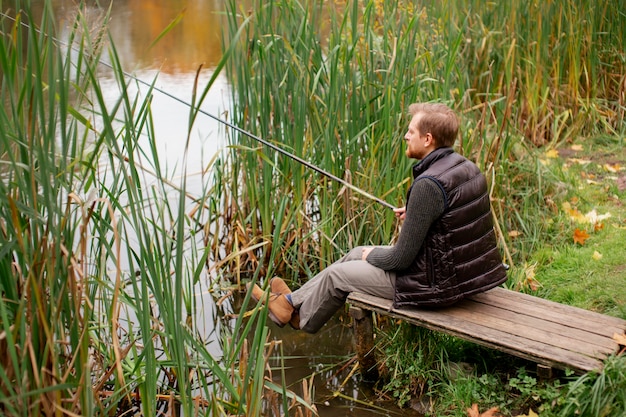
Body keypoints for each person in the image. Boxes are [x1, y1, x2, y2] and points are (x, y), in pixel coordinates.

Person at [249, 102, 507, 334]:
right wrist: (417, 214)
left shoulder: (428, 184)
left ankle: (300, 320)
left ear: (428, 139)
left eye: (411, 132)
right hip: (461, 275)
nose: (406, 136)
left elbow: (400, 259)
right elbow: (456, 220)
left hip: (437, 286)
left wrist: (370, 256)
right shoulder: (465, 167)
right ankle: (289, 303)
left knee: (338, 275)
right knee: (354, 252)